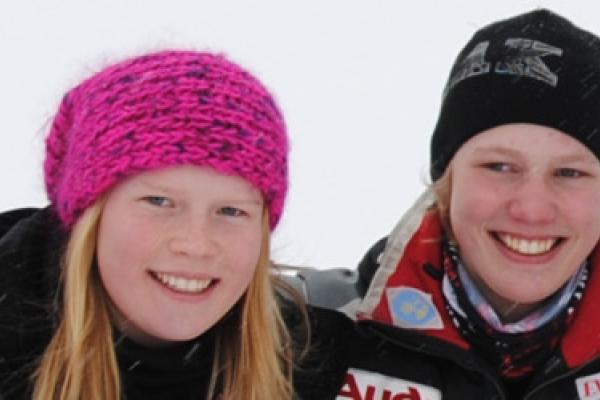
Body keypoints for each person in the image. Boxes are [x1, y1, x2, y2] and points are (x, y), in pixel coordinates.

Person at [0, 49, 352, 399]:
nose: (196, 244)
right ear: (88, 215)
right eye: (159, 202)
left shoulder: (312, 369)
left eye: (230, 211)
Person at [335, 9, 600, 400]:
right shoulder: (310, 340)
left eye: (570, 172)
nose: (532, 210)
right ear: (446, 183)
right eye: (499, 167)